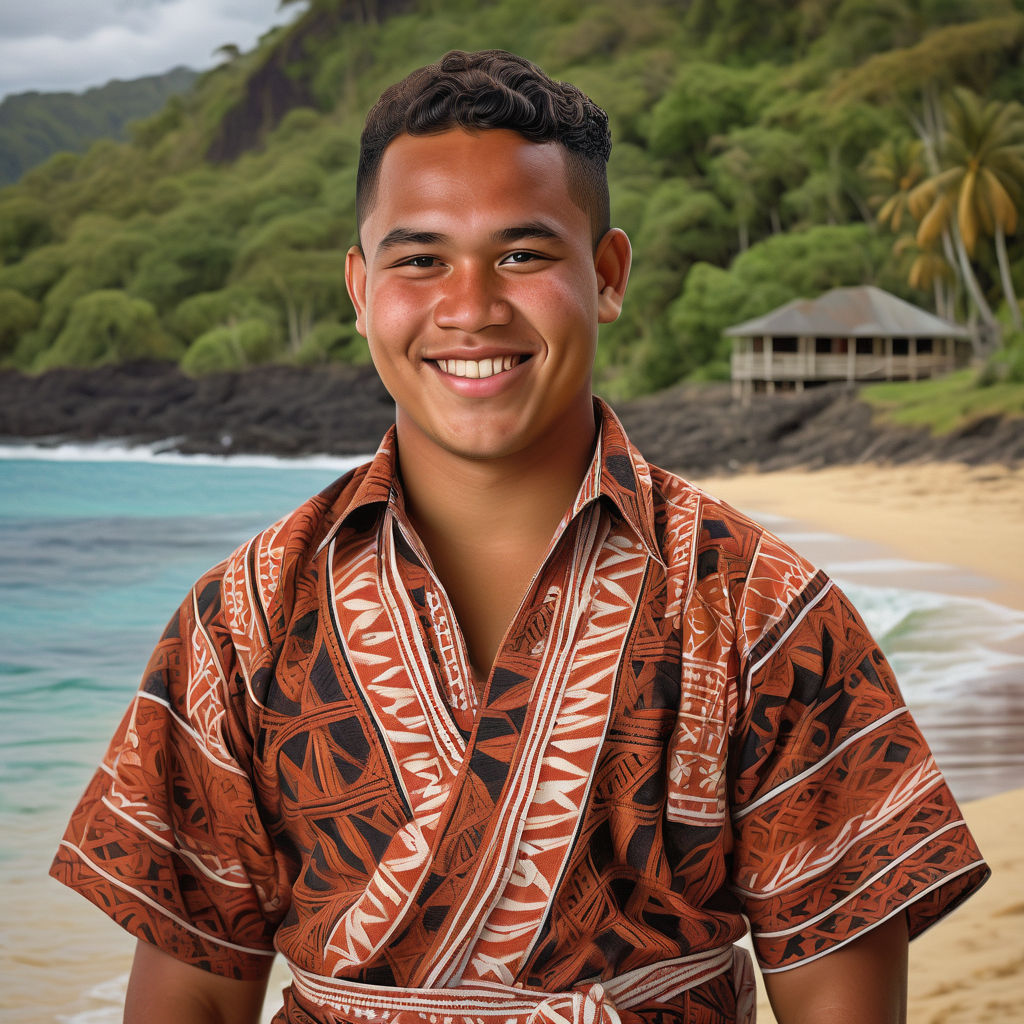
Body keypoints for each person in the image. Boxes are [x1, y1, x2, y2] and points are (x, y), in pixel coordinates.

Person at [52, 50, 988, 1024]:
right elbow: (194, 989)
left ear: (608, 274)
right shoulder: (241, 618)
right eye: (420, 259)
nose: (470, 306)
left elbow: (839, 1002)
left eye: (523, 253)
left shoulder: (761, 607)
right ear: (360, 288)